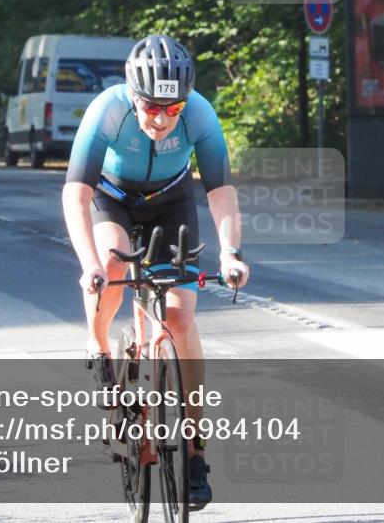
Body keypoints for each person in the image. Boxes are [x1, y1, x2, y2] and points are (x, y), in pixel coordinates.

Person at [62, 34, 250, 509]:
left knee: (181, 319)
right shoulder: (107, 110)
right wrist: (88, 266)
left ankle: (194, 447)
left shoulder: (201, 114)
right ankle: (100, 346)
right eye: (150, 107)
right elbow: (76, 195)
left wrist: (230, 253)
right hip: (114, 198)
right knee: (110, 266)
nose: (162, 119)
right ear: (132, 93)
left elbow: (221, 190)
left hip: (171, 202)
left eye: (173, 108)